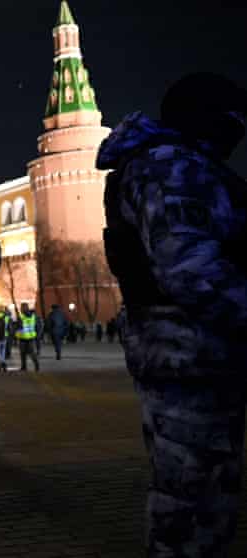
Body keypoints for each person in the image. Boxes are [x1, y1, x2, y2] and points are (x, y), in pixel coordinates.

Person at [98, 72, 247, 557]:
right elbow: (190, 269)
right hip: (186, 353)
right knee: (189, 505)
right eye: (232, 119)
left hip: (197, 352)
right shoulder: (168, 168)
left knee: (209, 496)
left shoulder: (180, 165)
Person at [15, 303, 40, 372]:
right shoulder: (33, 316)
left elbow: (18, 327)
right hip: (31, 337)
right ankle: (36, 365)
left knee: (23, 353)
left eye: (21, 307)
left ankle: (24, 367)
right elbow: (37, 326)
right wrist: (37, 335)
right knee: (32, 353)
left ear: (22, 308)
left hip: (22, 337)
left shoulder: (21, 316)